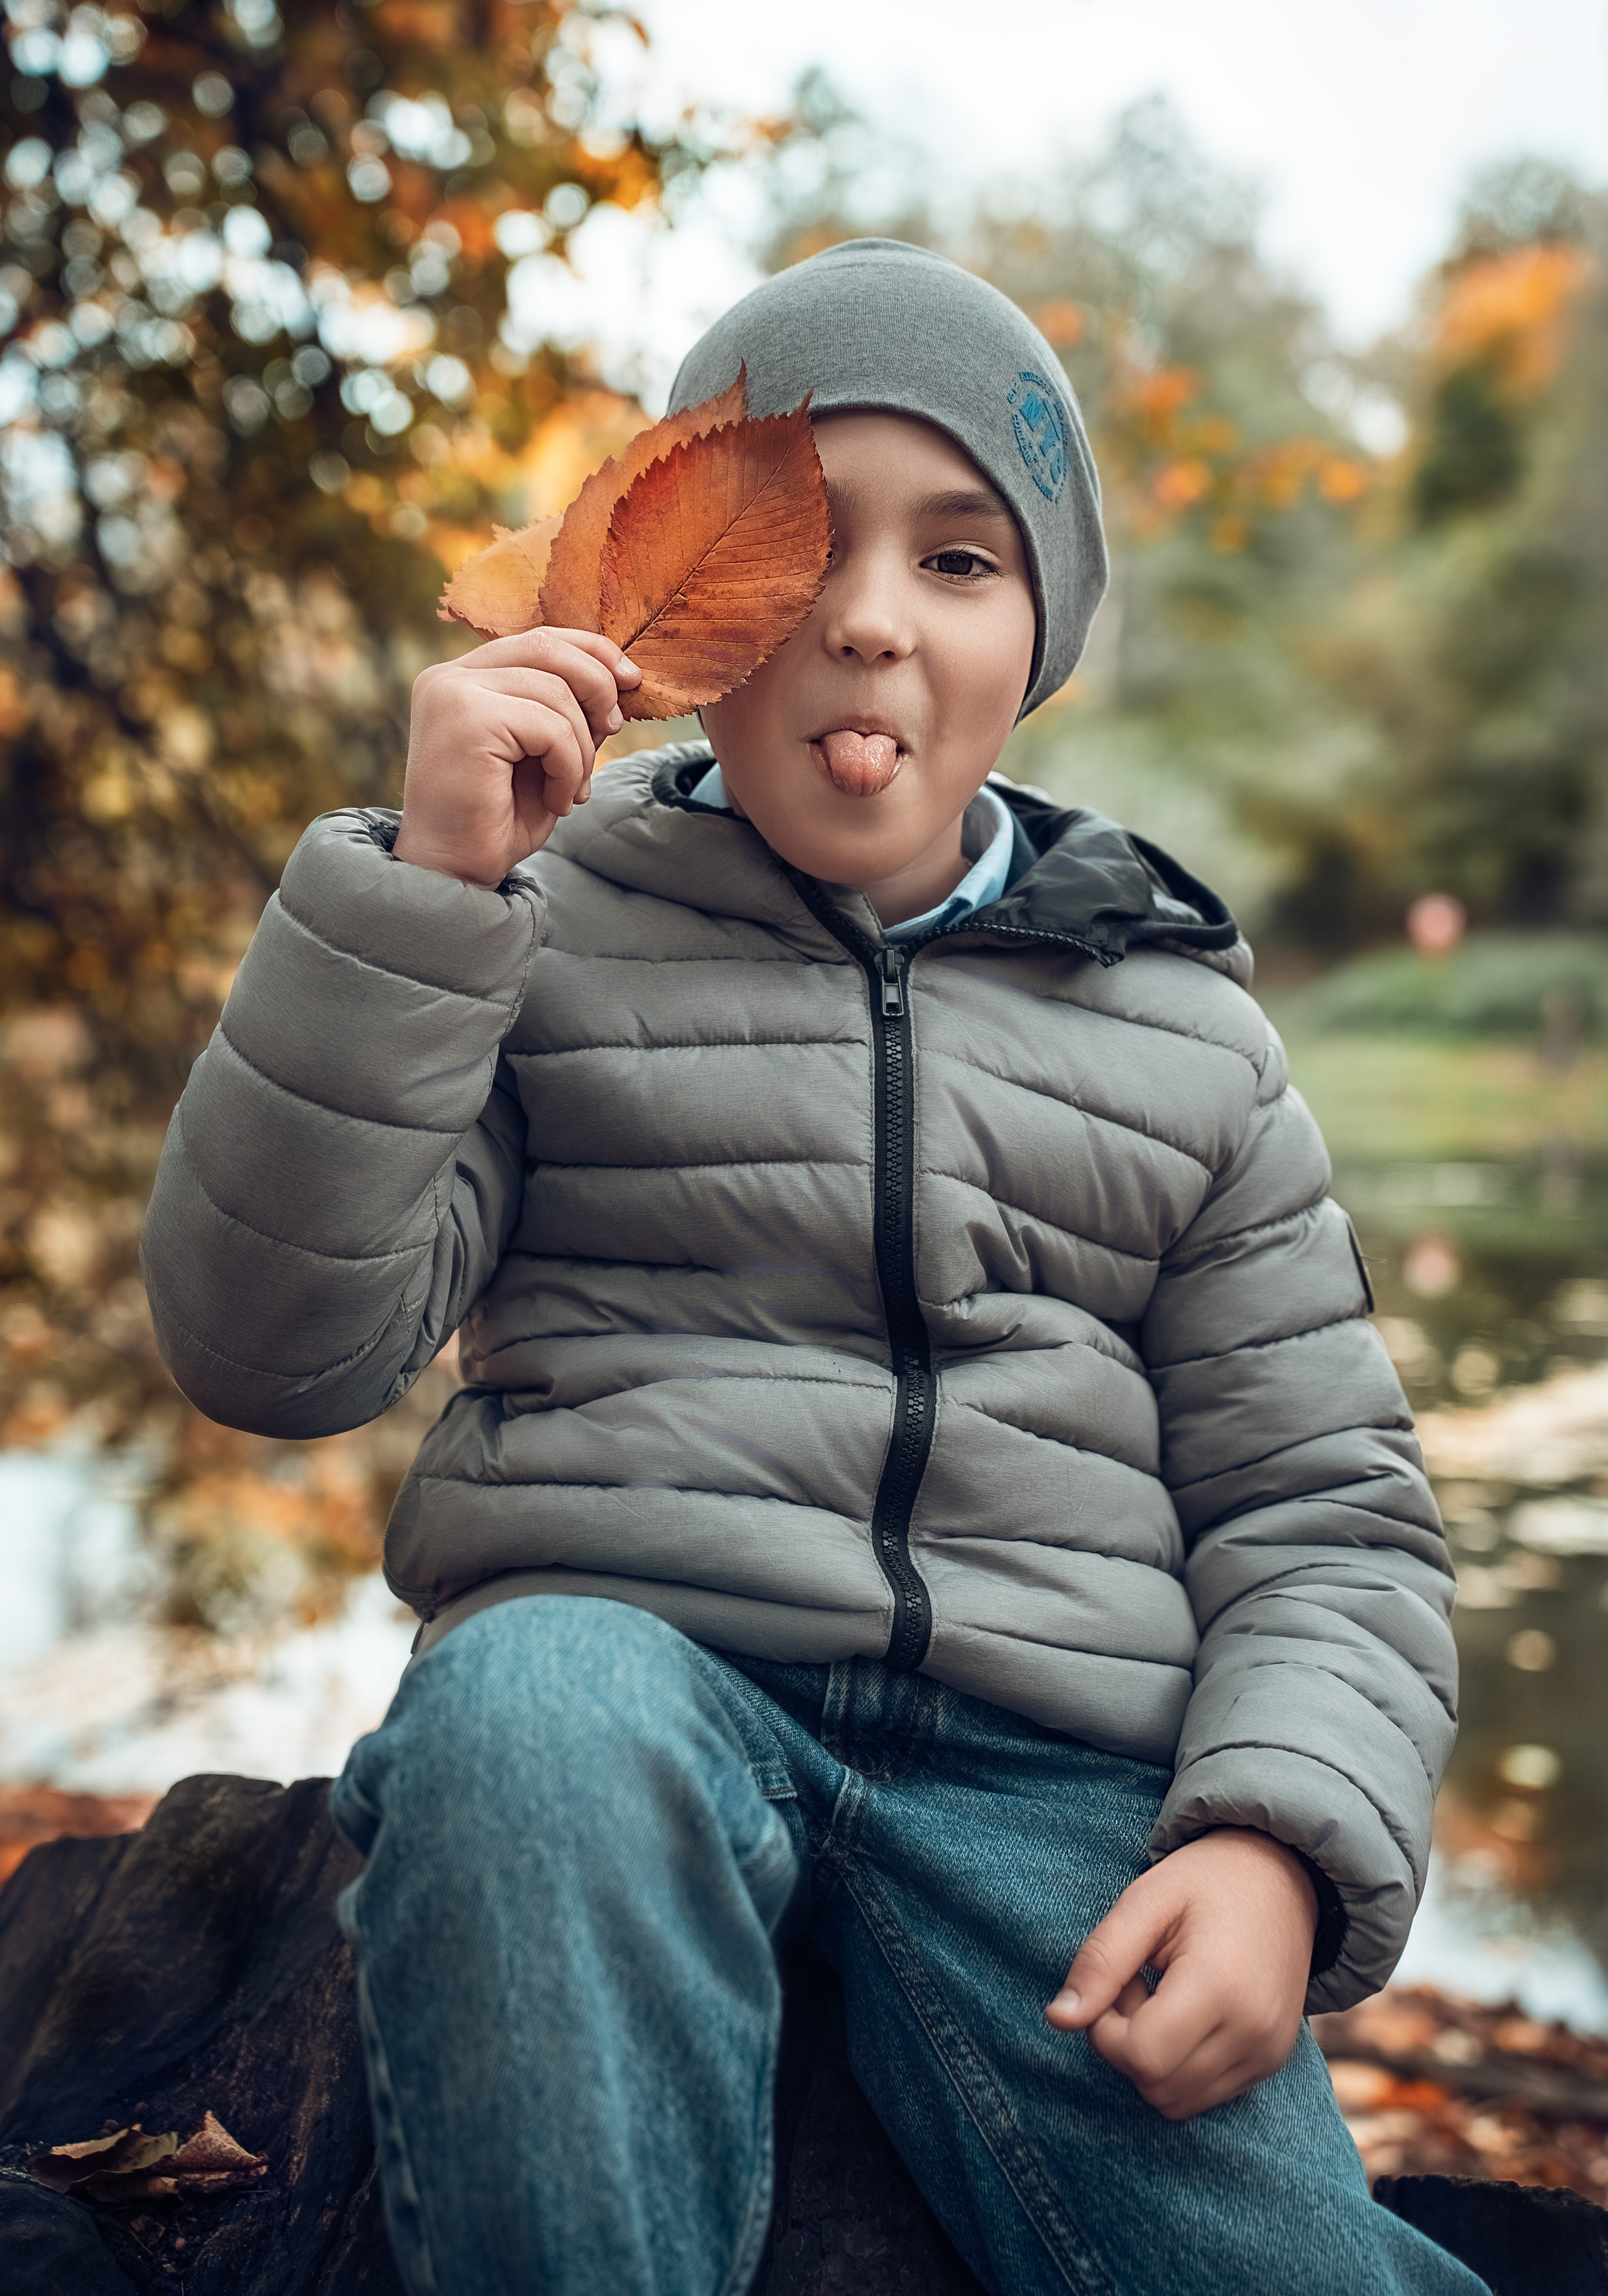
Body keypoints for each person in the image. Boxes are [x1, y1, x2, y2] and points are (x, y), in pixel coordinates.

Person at [140, 240, 1480, 2296]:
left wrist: (1278, 1840)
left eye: (958, 562)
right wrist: (423, 904)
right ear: (681, 615)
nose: (866, 618)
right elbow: (270, 1350)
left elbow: (1327, 1518)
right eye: (807, 550)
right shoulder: (532, 921)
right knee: (523, 1725)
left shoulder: (1183, 1031)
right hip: (629, 1681)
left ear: (1038, 638)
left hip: (1058, 1773)